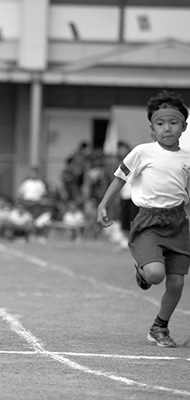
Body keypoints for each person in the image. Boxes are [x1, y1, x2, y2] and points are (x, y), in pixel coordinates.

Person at [97, 90, 189, 348]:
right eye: (160, 124)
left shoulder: (187, 158)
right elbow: (120, 178)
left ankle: (159, 327)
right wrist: (103, 205)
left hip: (178, 222)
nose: (167, 128)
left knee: (177, 282)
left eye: (173, 123)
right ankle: (143, 270)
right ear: (152, 129)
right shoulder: (142, 153)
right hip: (149, 220)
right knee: (156, 274)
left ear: (184, 126)